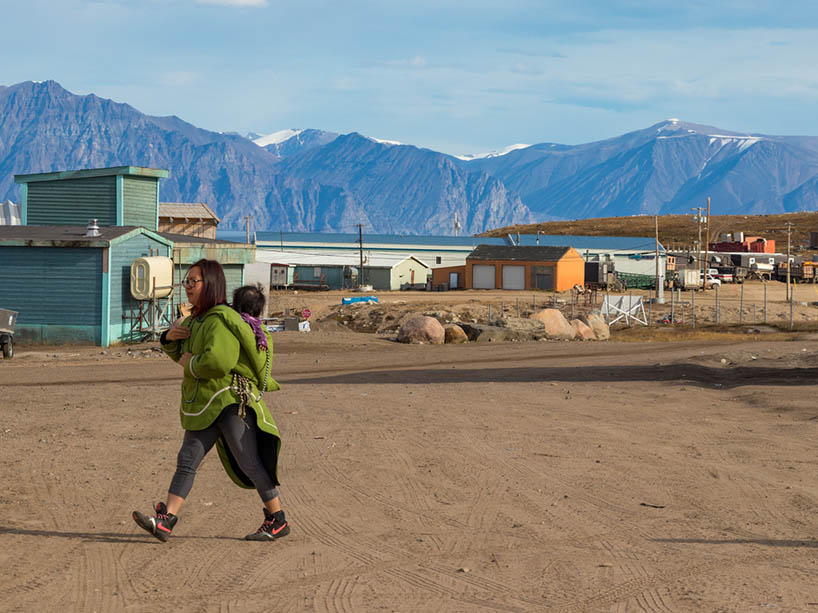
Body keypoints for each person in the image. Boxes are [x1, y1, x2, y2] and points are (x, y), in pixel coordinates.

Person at [132, 260, 289, 542]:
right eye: (187, 282)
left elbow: (218, 362)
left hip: (228, 401)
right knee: (187, 460)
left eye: (194, 282)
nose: (188, 287)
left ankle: (277, 519)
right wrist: (168, 337)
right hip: (206, 403)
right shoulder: (198, 320)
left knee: (249, 462)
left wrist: (190, 364)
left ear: (211, 284)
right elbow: (181, 352)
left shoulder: (218, 320)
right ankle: (166, 520)